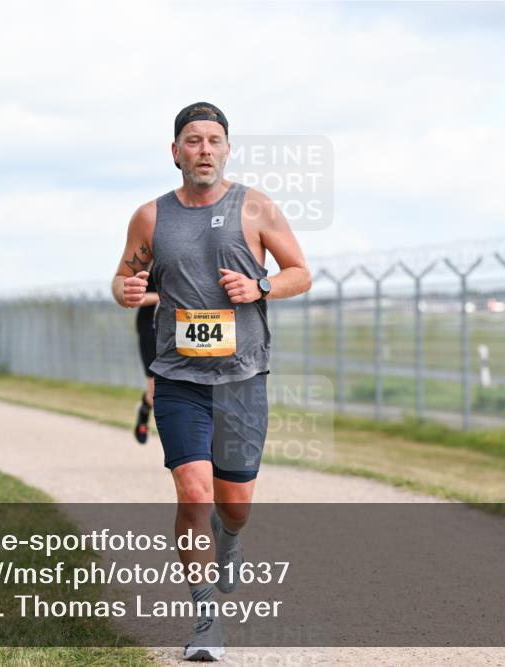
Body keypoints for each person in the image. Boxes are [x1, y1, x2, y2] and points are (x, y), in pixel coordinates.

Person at [112, 102, 311, 661]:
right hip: (178, 377)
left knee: (235, 503)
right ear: (175, 151)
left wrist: (262, 288)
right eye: (193, 141)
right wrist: (124, 289)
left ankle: (231, 538)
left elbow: (301, 271)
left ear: (227, 149)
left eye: (214, 140)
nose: (204, 150)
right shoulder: (150, 217)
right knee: (194, 493)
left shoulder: (257, 208)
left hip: (242, 377)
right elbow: (125, 274)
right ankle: (205, 619)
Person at [134, 281, 159, 444]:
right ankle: (145, 408)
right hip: (149, 326)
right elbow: (134, 296)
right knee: (156, 393)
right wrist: (163, 296)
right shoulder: (145, 259)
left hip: (182, 325)